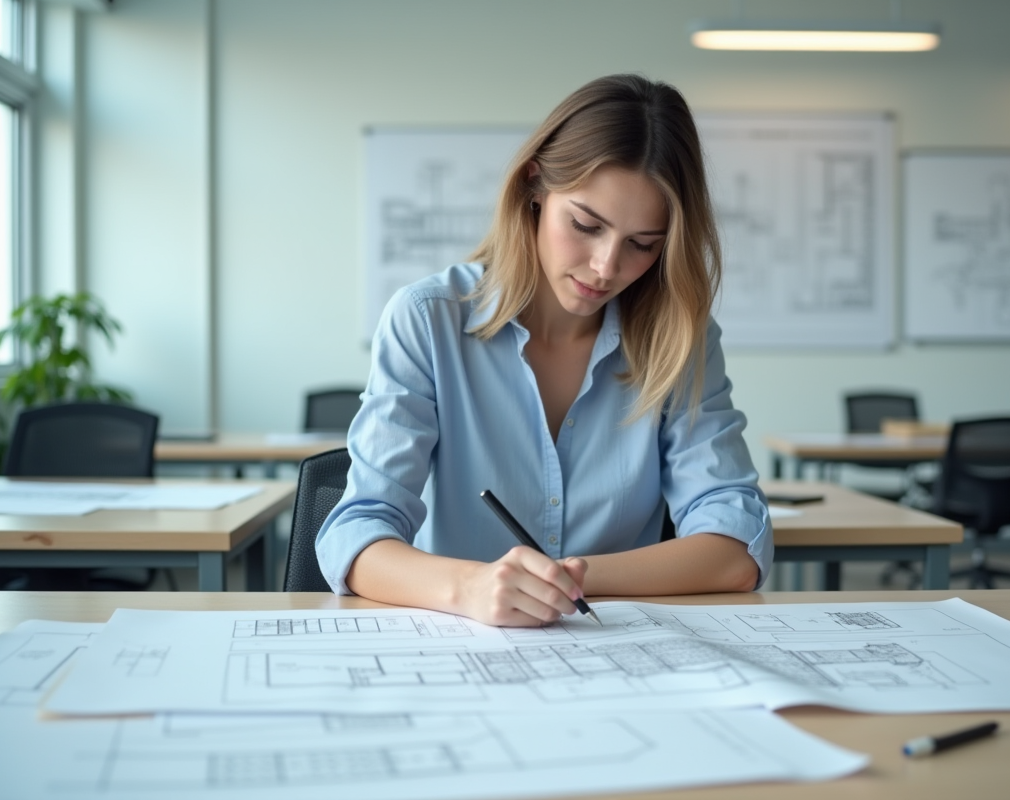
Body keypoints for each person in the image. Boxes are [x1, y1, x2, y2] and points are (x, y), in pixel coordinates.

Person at [317, 74, 772, 626]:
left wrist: (566, 579)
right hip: (462, 647)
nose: (606, 267)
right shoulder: (427, 320)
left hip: (621, 652)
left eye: (642, 245)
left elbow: (737, 547)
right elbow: (356, 533)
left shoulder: (680, 339)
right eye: (585, 225)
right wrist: (470, 587)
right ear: (535, 187)